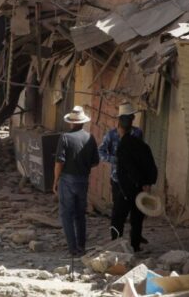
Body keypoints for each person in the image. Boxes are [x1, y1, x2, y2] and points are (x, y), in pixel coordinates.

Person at [52, 106, 99, 257]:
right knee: (80, 214)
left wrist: (55, 180)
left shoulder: (65, 137)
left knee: (66, 214)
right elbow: (95, 162)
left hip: (67, 179)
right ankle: (81, 246)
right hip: (83, 180)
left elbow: (59, 162)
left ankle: (73, 248)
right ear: (83, 122)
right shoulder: (90, 138)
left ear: (71, 122)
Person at [99, 102, 145, 243]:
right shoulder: (111, 135)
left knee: (137, 212)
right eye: (125, 118)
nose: (128, 121)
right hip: (118, 180)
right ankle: (116, 240)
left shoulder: (137, 133)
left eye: (130, 118)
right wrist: (115, 160)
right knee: (118, 212)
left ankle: (135, 240)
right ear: (119, 119)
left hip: (134, 180)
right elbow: (101, 152)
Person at [116, 117, 158, 252]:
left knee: (118, 217)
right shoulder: (142, 145)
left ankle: (116, 244)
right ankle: (135, 245)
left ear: (119, 127)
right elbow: (151, 165)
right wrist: (148, 182)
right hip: (140, 188)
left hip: (126, 188)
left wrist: (137, 180)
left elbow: (128, 168)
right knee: (137, 218)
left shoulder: (122, 146)